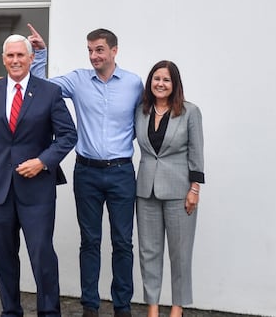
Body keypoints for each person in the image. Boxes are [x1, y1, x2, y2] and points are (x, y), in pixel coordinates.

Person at [28, 25, 143, 317]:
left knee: (122, 242)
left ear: (114, 51)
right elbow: (40, 86)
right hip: (87, 172)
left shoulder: (133, 84)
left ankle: (122, 306)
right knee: (90, 241)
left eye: (100, 50)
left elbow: (146, 119)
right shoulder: (78, 80)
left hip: (121, 172)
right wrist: (40, 53)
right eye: (90, 50)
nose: (94, 55)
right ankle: (90, 306)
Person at [0, 34, 78, 317]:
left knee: (41, 254)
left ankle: (49, 311)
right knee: (2, 257)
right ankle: (11, 311)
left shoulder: (49, 92)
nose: (15, 60)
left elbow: (68, 135)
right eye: (10, 56)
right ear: (3, 59)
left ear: (31, 58)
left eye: (20, 55)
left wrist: (43, 161)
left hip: (37, 189)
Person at [135, 61, 204, 317]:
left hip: (179, 192)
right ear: (150, 82)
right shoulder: (141, 111)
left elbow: (197, 153)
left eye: (166, 80)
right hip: (146, 192)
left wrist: (194, 189)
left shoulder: (190, 112)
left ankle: (177, 308)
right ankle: (152, 307)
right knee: (148, 252)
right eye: (156, 79)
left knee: (180, 253)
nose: (160, 84)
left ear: (174, 84)